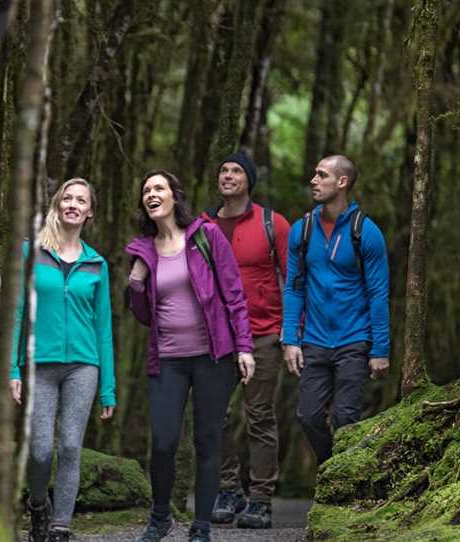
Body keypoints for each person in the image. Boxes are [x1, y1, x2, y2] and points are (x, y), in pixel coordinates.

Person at [125, 170, 255, 542]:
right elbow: (144, 315)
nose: (151, 194)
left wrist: (245, 346)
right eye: (146, 190)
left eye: (158, 188)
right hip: (167, 359)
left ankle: (201, 527)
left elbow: (233, 294)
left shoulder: (205, 235)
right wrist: (135, 284)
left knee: (207, 440)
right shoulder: (143, 250)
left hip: (212, 357)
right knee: (163, 441)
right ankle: (160, 517)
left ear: (173, 196)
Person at [9, 178, 116, 542]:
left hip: (83, 366)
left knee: (70, 446)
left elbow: (103, 329)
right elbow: (18, 312)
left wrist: (109, 390)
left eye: (80, 200)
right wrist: (12, 367)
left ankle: (61, 525)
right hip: (39, 364)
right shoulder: (31, 253)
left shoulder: (97, 264)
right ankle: (39, 504)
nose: (72, 204)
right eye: (66, 198)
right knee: (40, 449)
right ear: (57, 205)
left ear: (90, 212)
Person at [282, 155, 390, 465]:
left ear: (341, 182)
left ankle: (341, 487)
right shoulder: (301, 231)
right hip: (314, 340)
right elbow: (294, 288)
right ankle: (333, 468)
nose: (313, 181)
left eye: (321, 175)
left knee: (346, 418)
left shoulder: (366, 233)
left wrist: (380, 349)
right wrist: (291, 338)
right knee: (308, 415)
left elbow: (378, 294)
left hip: (353, 341)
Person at [203, 152, 290, 529]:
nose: (228, 175)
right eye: (223, 170)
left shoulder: (274, 224)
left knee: (259, 417)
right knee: (213, 416)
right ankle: (227, 488)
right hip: (215, 337)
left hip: (264, 334)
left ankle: (261, 498)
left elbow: (294, 278)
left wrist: (291, 332)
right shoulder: (202, 226)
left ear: (248, 180)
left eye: (236, 170)